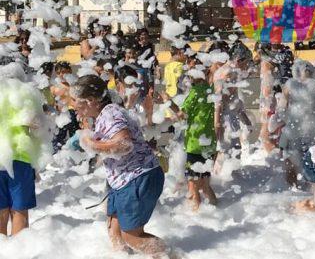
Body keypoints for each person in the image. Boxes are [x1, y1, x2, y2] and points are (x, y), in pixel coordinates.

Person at [71, 75, 167, 256]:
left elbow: (124, 144)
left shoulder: (110, 114)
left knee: (132, 237)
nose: (74, 105)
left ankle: (172, 255)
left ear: (91, 100)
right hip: (124, 181)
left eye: (77, 100)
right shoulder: (105, 113)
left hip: (138, 177)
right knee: (115, 232)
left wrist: (91, 145)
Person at [0, 78, 47, 236]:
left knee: (0, 211)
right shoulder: (24, 93)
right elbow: (38, 126)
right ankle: (18, 252)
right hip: (20, 157)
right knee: (19, 211)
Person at [276, 59, 315, 186]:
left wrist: (289, 120)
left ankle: (293, 188)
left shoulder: (289, 85)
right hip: (313, 128)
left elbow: (281, 108)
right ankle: (313, 187)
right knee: (312, 159)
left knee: (290, 159)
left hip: (294, 127)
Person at [180, 71, 217, 211]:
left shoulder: (195, 92)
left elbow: (182, 114)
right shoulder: (211, 90)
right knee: (206, 186)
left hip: (194, 144)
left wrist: (167, 102)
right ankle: (216, 210)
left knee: (194, 187)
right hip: (209, 142)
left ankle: (196, 216)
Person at [50, 61, 81, 152]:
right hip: (61, 116)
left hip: (75, 113)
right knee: (59, 138)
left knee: (75, 136)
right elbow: (51, 104)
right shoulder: (55, 88)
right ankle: (57, 152)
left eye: (63, 72)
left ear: (70, 71)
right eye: (58, 73)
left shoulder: (75, 85)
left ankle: (76, 152)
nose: (61, 75)